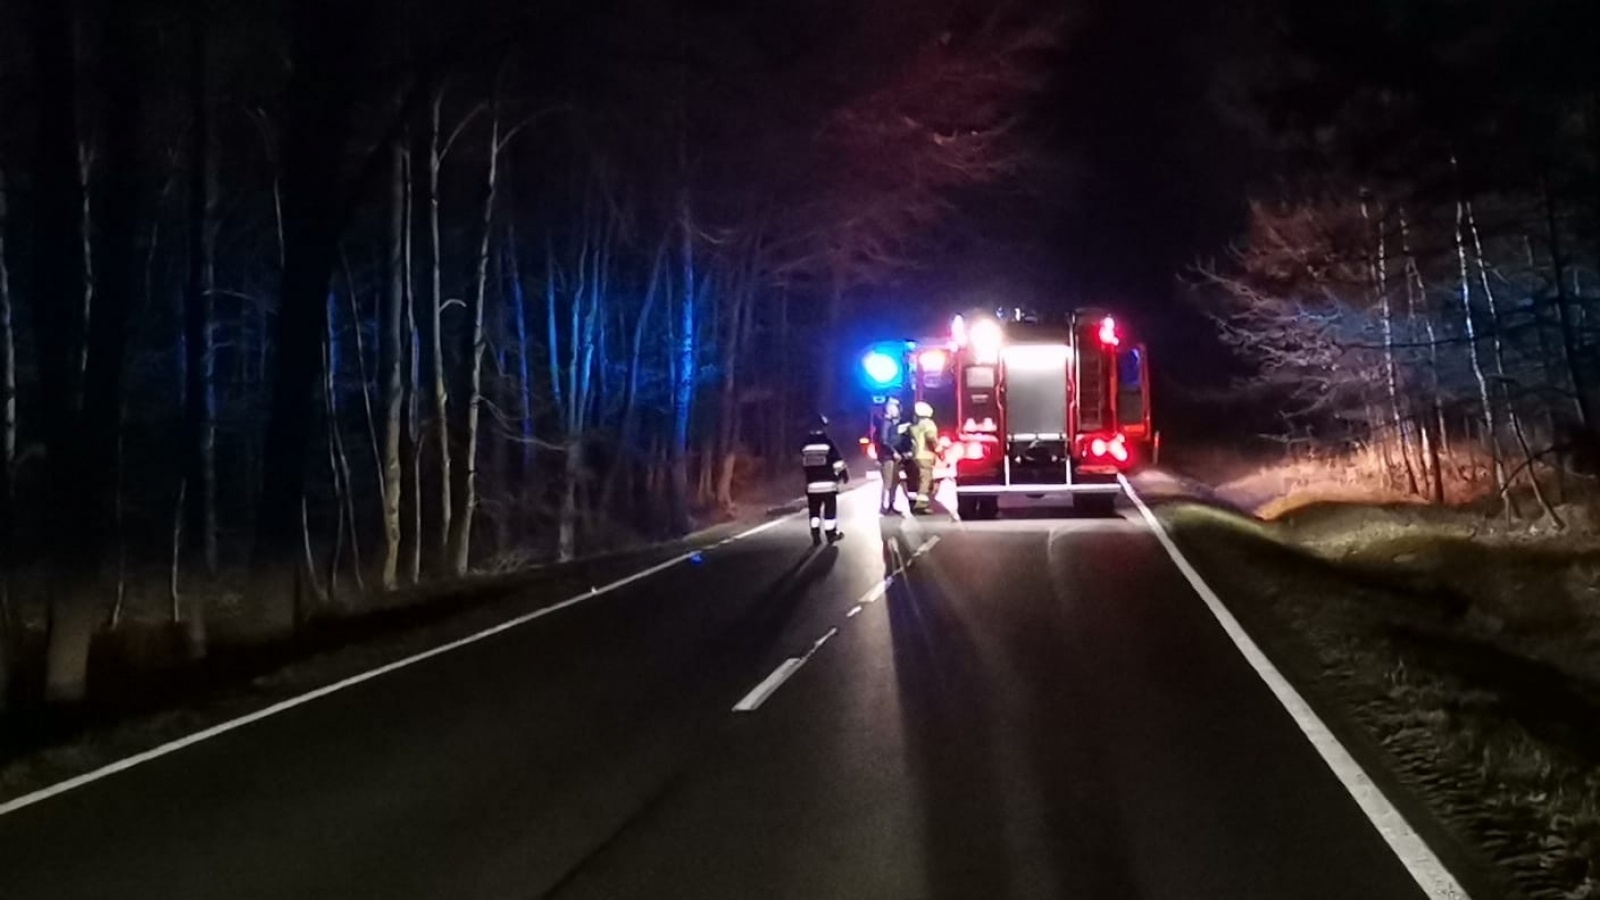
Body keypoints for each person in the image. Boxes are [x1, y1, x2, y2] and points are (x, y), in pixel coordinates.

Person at [800, 415, 848, 545]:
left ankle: (815, 535)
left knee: (814, 511)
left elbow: (802, 462)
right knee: (829, 510)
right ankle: (830, 534)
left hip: (812, 485)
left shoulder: (805, 444)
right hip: (828, 484)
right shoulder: (827, 442)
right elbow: (837, 462)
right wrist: (843, 475)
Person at [873, 398, 906, 515]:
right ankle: (884, 506)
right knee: (888, 482)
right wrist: (894, 452)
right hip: (887, 457)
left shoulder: (891, 423)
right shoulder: (886, 423)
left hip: (892, 457)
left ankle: (891, 504)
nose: (898, 410)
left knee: (894, 482)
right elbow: (884, 440)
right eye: (896, 408)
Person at [910, 401, 939, 514]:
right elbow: (931, 437)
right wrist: (939, 448)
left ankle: (917, 502)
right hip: (926, 456)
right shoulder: (928, 424)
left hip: (916, 456)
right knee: (926, 480)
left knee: (920, 479)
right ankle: (921, 505)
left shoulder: (915, 425)